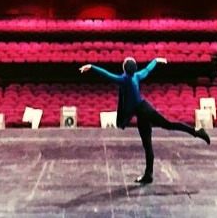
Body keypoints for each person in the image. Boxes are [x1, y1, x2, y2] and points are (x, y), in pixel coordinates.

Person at [80, 56, 210, 185]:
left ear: (124, 68)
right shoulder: (136, 76)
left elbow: (107, 74)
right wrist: (156, 60)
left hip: (144, 110)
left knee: (168, 125)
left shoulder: (124, 79)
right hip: (141, 113)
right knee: (147, 145)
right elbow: (147, 69)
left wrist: (91, 66)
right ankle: (148, 175)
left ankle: (197, 131)